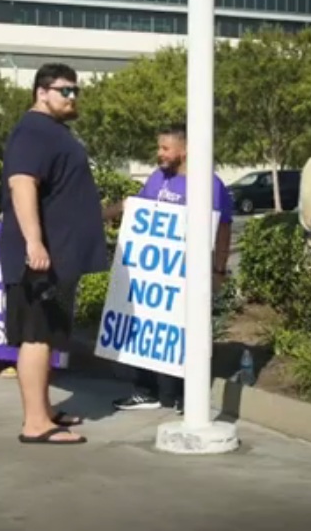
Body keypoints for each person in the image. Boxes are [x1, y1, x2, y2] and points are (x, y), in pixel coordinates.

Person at [0, 63, 106, 445]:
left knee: (47, 334)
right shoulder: (33, 131)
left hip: (58, 256)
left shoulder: (52, 132)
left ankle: (45, 411)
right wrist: (34, 242)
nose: (72, 97)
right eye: (66, 90)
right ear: (41, 92)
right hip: (39, 258)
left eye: (76, 90)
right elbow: (22, 184)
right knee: (36, 335)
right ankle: (35, 424)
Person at [108, 123, 233, 414]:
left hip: (188, 275)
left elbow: (223, 227)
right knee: (147, 328)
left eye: (165, 148)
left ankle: (184, 397)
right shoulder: (157, 178)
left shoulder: (208, 184)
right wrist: (103, 214)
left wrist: (218, 270)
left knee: (185, 332)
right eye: (159, 147)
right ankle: (145, 391)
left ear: (185, 149)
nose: (159, 153)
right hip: (154, 277)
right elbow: (138, 207)